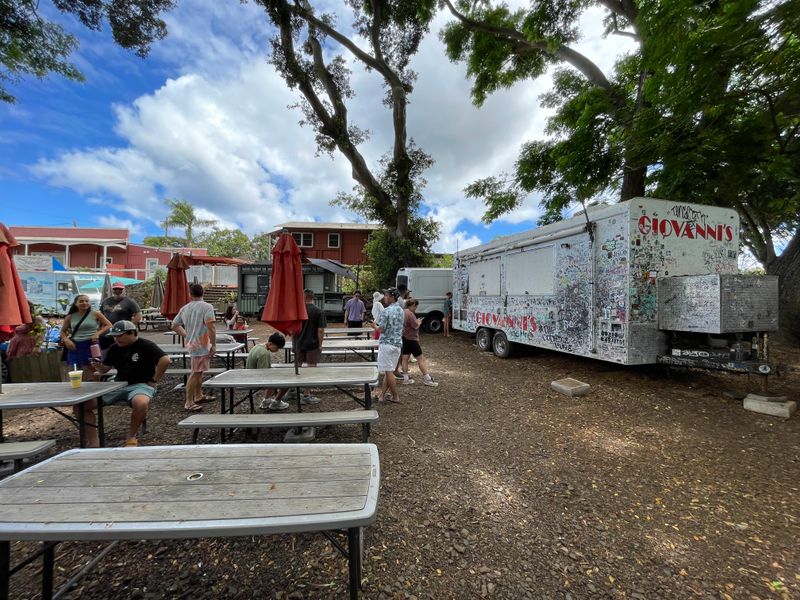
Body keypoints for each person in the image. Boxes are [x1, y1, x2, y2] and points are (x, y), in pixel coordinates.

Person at [83, 320, 170, 447]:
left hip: (141, 384)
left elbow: (165, 360)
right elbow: (104, 370)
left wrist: (154, 379)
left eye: (120, 336)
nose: (117, 339)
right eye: (114, 336)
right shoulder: (114, 348)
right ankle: (94, 440)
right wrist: (97, 366)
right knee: (82, 405)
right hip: (118, 383)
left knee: (141, 403)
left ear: (132, 333)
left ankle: (131, 437)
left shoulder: (146, 345)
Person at [171, 283, 217, 411]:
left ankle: (198, 395)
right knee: (196, 373)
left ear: (190, 294)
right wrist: (213, 345)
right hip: (201, 344)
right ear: (203, 293)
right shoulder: (207, 307)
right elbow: (211, 326)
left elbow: (174, 325)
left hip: (192, 344)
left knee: (199, 371)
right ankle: (189, 402)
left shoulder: (185, 308)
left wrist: (186, 334)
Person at [60, 294, 112, 380]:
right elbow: (62, 331)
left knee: (94, 368)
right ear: (76, 304)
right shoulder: (70, 317)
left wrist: (97, 334)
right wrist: (66, 340)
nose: (84, 303)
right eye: (81, 301)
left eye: (87, 301)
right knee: (75, 369)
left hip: (92, 345)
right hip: (75, 346)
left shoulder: (95, 314)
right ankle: (78, 390)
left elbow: (109, 325)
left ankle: (96, 390)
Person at [372, 288, 404, 403]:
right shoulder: (401, 310)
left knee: (388, 371)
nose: (384, 298)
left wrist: (374, 326)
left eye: (386, 295)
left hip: (386, 344)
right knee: (388, 370)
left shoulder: (386, 311)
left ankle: (395, 396)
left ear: (392, 297)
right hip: (397, 344)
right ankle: (382, 395)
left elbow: (381, 329)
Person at [296, 289, 326, 405]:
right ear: (312, 297)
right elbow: (321, 330)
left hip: (299, 342)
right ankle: (306, 394)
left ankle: (293, 390)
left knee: (297, 367)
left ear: (304, 297)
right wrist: (320, 344)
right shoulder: (319, 311)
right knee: (311, 369)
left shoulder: (298, 311)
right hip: (312, 344)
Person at [246, 332, 291, 410]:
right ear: (270, 344)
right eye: (277, 348)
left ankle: (267, 400)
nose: (277, 350)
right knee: (287, 382)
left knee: (278, 374)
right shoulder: (264, 353)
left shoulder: (257, 346)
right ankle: (276, 402)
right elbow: (264, 373)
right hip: (255, 379)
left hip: (250, 375)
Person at [400, 299, 439, 387]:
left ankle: (406, 378)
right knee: (420, 359)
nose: (416, 308)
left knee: (405, 358)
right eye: (415, 306)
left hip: (404, 337)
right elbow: (415, 326)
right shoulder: (410, 314)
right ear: (413, 305)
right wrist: (419, 322)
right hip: (412, 339)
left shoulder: (403, 312)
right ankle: (427, 378)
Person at [99, 282, 141, 351]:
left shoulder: (130, 301)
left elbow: (138, 315)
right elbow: (100, 315)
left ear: (124, 290)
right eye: (115, 289)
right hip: (106, 333)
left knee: (122, 351)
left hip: (121, 333)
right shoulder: (106, 301)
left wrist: (129, 327)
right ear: (112, 290)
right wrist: (99, 329)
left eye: (120, 289)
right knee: (105, 352)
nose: (117, 291)